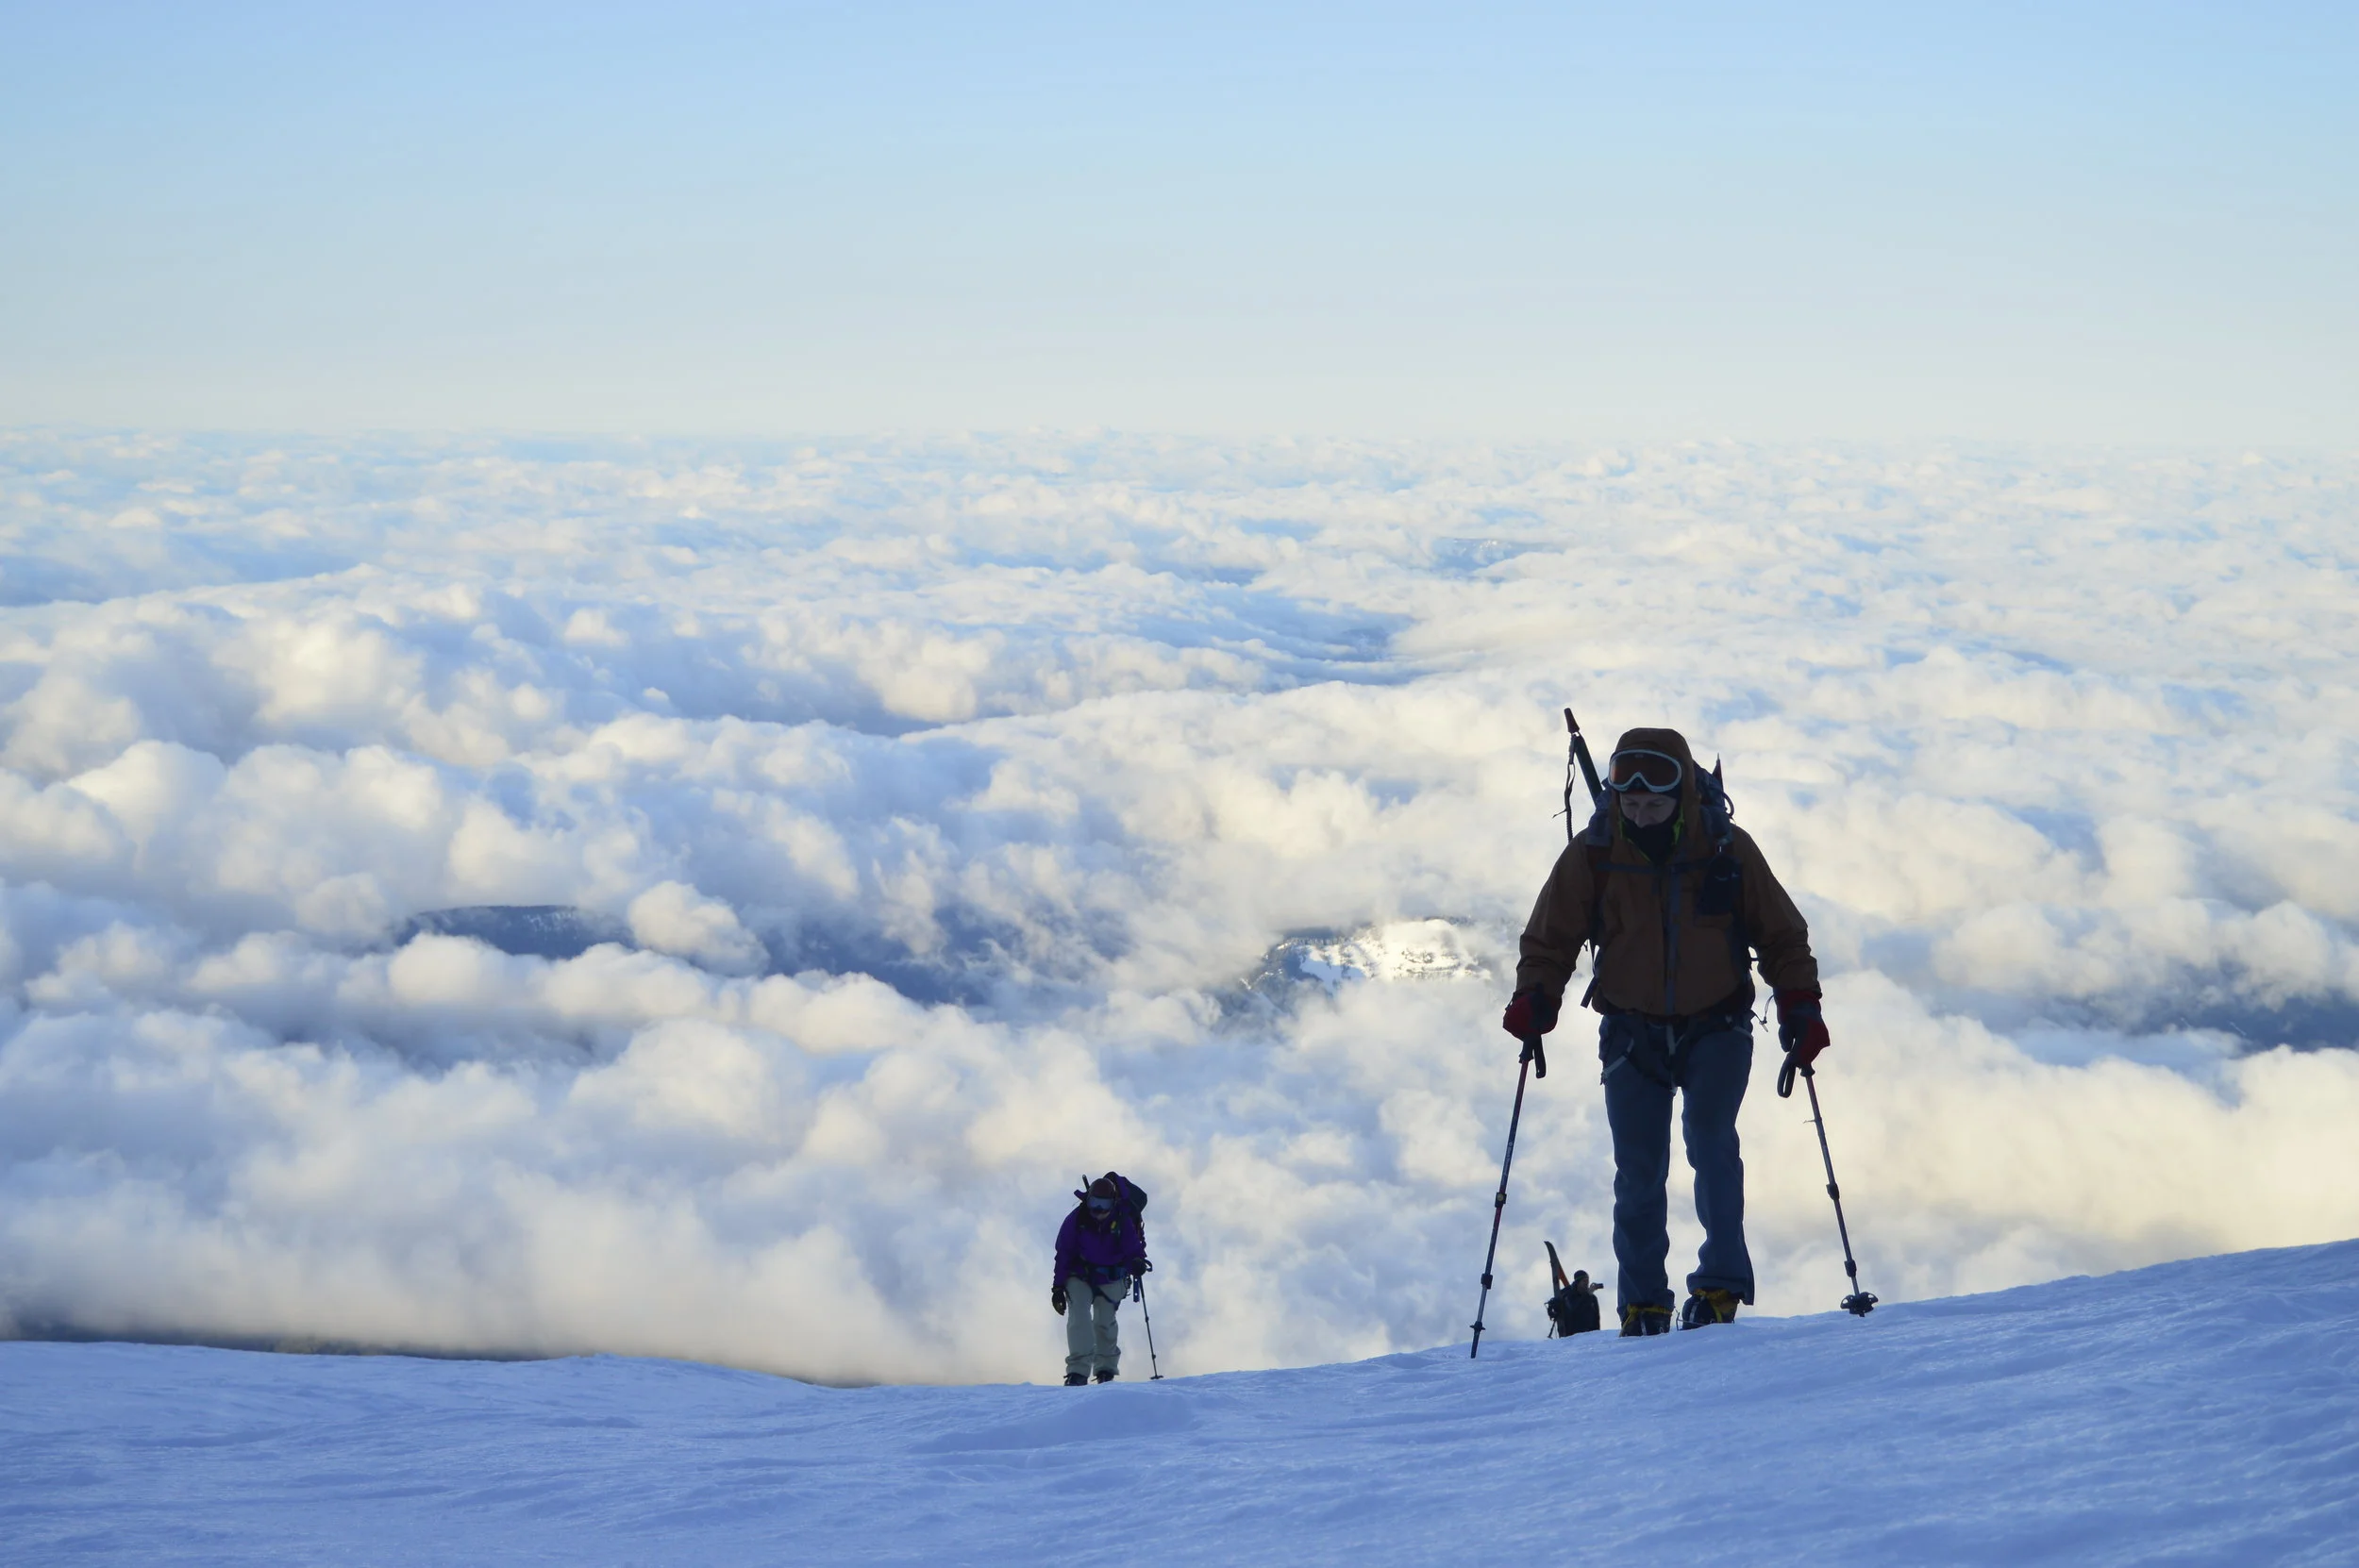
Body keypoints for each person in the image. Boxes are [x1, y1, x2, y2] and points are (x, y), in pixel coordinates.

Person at [1503, 727, 1828, 1336]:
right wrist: (1534, 998)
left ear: (1682, 796)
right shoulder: (1595, 853)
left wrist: (1800, 1005)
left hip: (1718, 1024)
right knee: (1640, 1167)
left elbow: (1782, 936)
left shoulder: (1727, 848)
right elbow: (1549, 938)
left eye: (1654, 803)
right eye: (1630, 801)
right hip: (1632, 1030)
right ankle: (1643, 1302)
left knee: (1711, 1145)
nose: (1640, 812)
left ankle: (1718, 1288)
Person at [1051, 1173, 1149, 1384]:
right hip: (1080, 1275)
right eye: (1094, 1203)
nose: (1098, 1209)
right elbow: (1064, 1255)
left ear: (1113, 1203)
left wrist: (1138, 1261)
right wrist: (1057, 1287)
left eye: (1103, 1204)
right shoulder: (1076, 1220)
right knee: (1079, 1317)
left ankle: (1106, 1370)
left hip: (1112, 1275)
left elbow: (1133, 1248)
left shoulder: (1122, 1219)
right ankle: (1078, 1372)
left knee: (1105, 1321)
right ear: (1088, 1200)